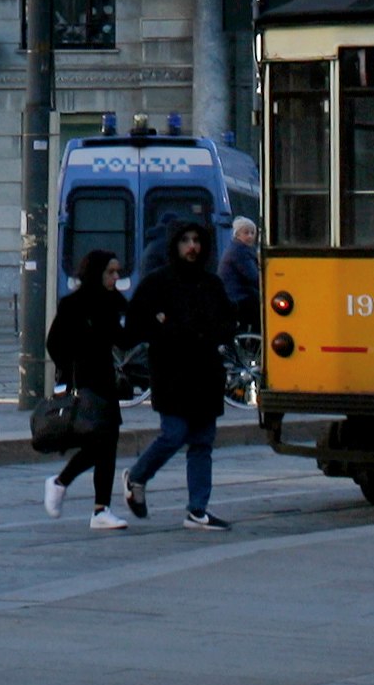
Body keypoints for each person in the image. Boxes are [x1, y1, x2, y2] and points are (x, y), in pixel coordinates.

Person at [117, 220, 239, 530]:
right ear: (175, 245)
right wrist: (164, 329)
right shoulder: (158, 282)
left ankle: (197, 509)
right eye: (185, 240)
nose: (192, 246)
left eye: (197, 240)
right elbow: (134, 324)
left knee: (202, 441)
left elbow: (227, 324)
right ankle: (138, 475)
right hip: (172, 371)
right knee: (173, 433)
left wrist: (204, 333)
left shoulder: (211, 283)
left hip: (205, 373)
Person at [42, 246, 131, 528]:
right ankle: (61, 483)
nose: (115, 277)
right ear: (97, 273)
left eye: (117, 272)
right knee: (98, 443)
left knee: (108, 444)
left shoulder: (112, 302)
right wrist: (69, 369)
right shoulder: (75, 304)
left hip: (104, 380)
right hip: (84, 381)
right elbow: (54, 343)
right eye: (110, 272)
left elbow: (122, 339)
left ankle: (99, 509)